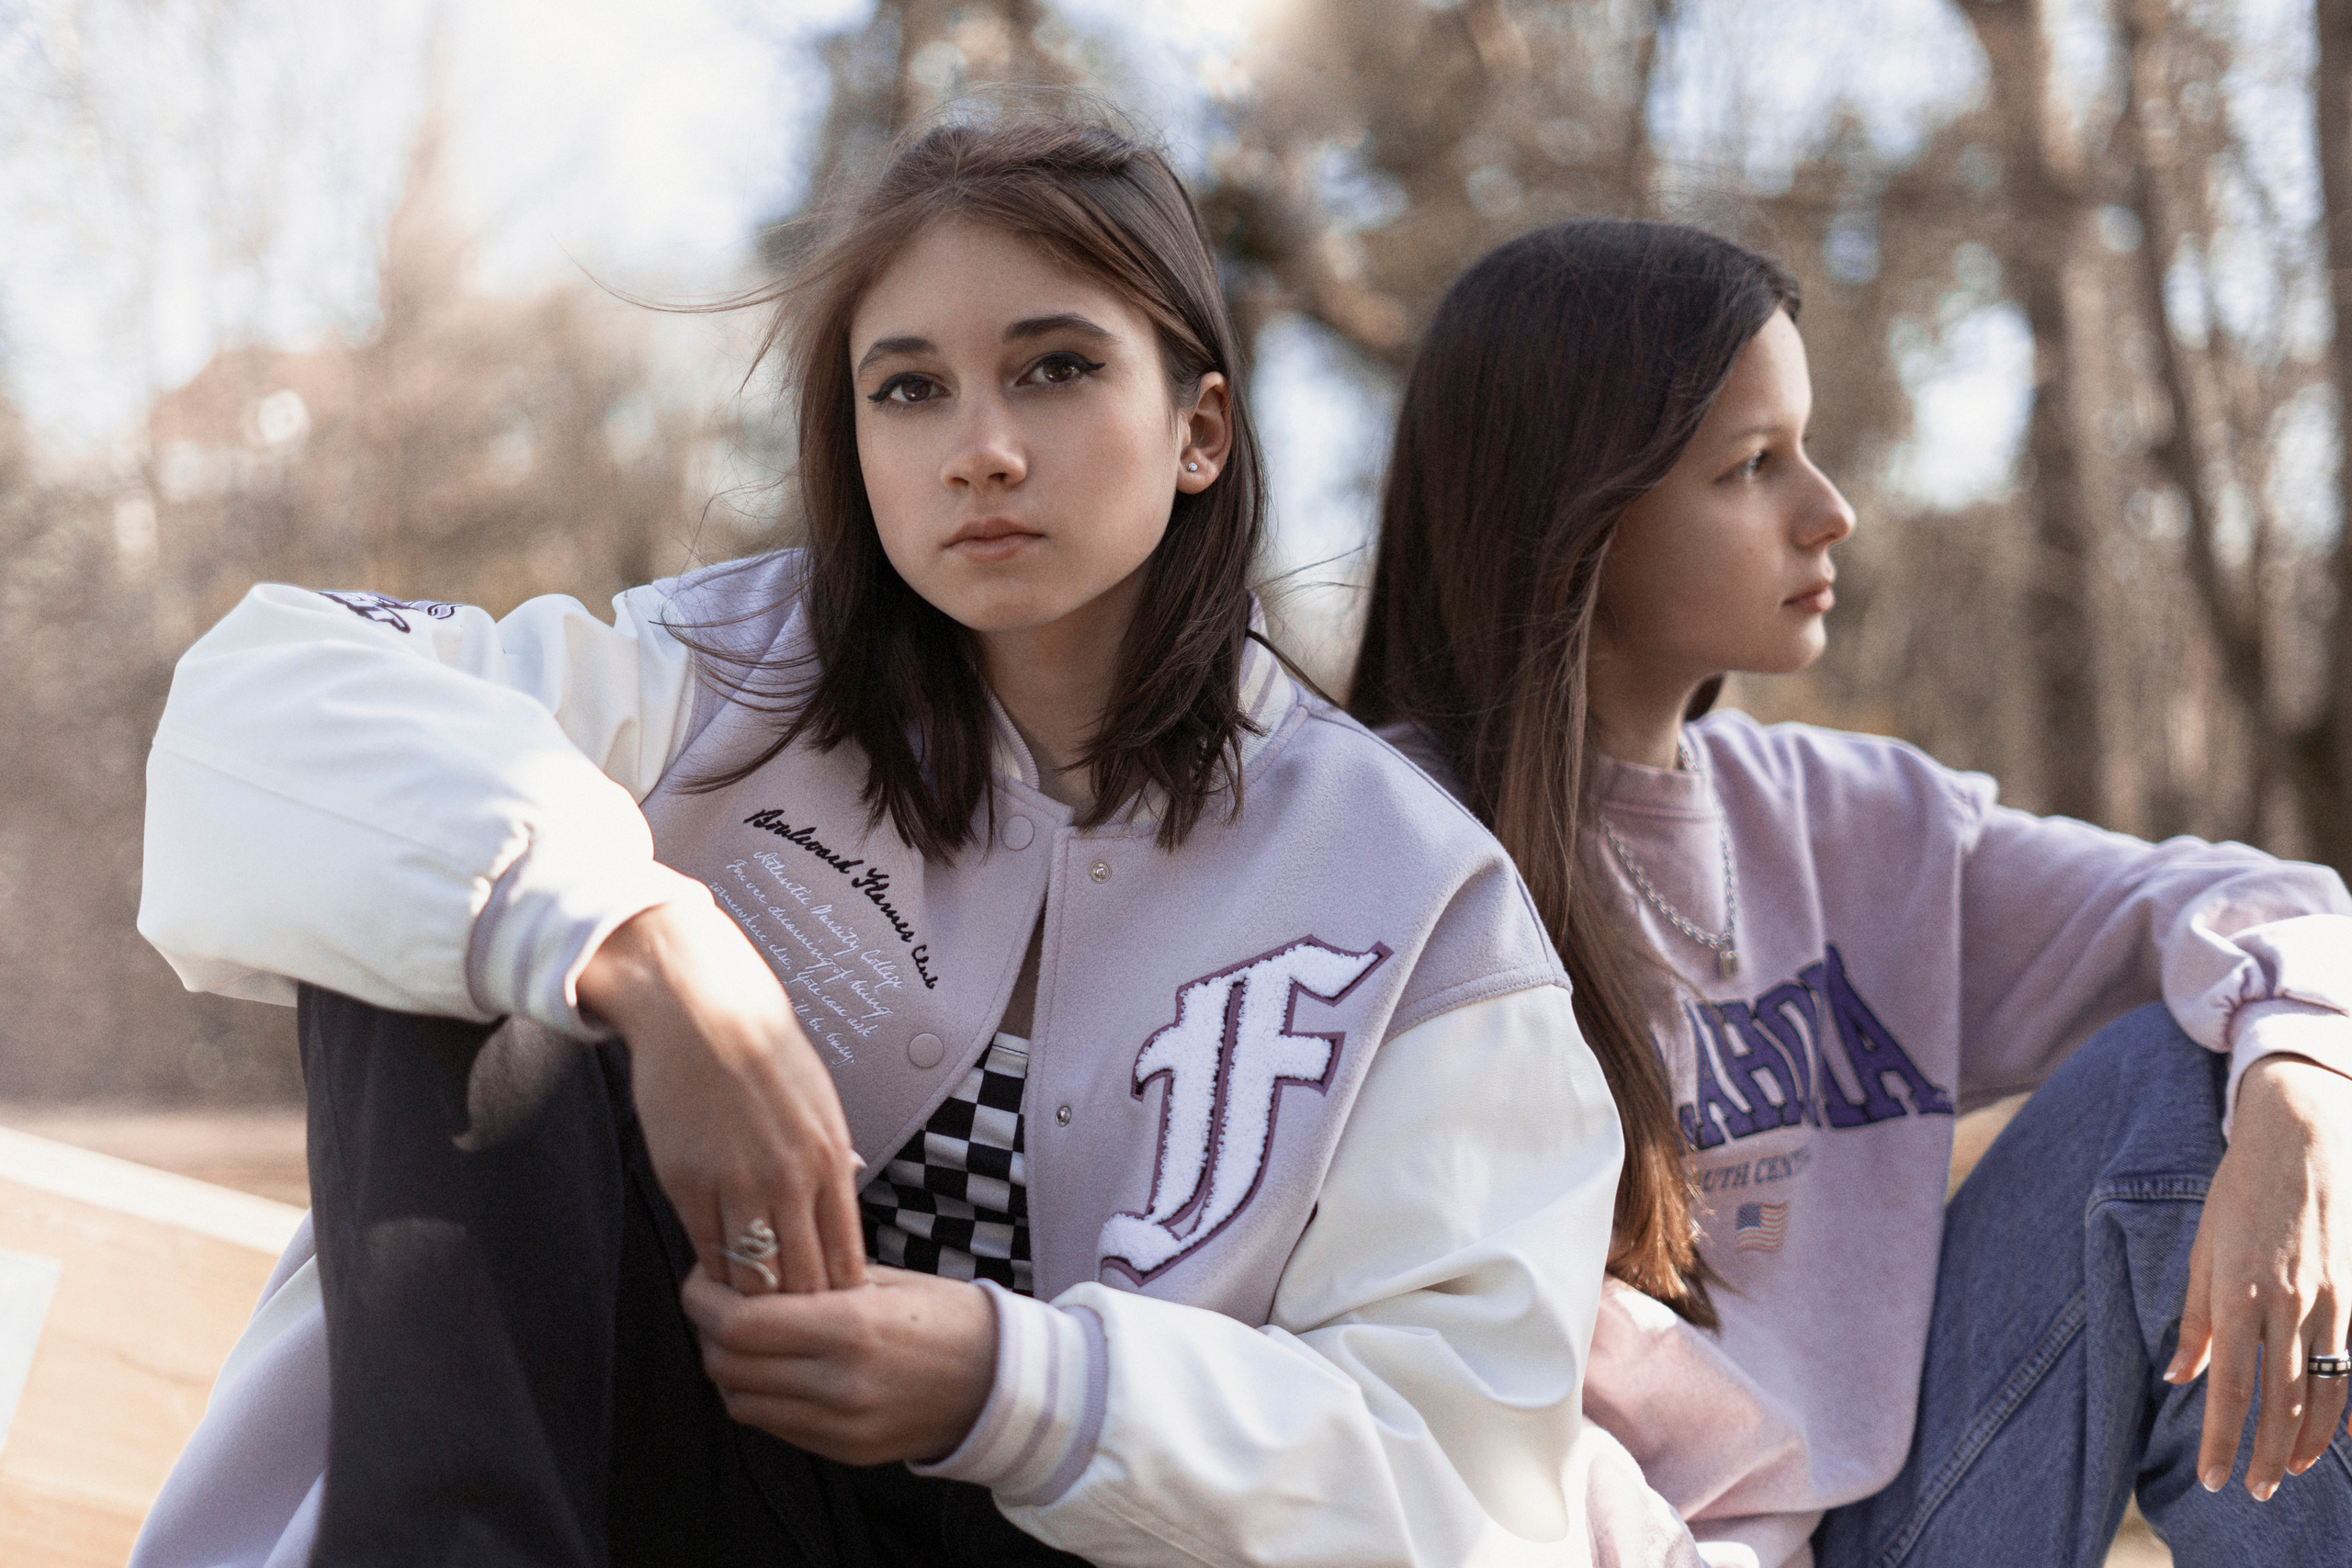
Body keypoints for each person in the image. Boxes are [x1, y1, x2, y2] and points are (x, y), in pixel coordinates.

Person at [128, 120, 1645, 1568]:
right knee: (468, 901)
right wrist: (648, 954)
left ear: (1198, 429)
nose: (979, 449)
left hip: (1081, 1547)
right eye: (908, 390)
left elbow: (1461, 1475)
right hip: (664, 1488)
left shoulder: (1411, 892)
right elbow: (270, 699)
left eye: (1053, 369)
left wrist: (1015, 1384)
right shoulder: (724, 677)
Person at [1349, 218, 2352, 1568]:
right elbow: (1426, 1394)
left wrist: (2301, 1099)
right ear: (1575, 515)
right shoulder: (1374, 858)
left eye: (1804, 449)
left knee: (2195, 1091)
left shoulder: (1862, 824)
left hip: (1908, 1516)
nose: (1831, 509)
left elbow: (2262, 898)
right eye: (1753, 467)